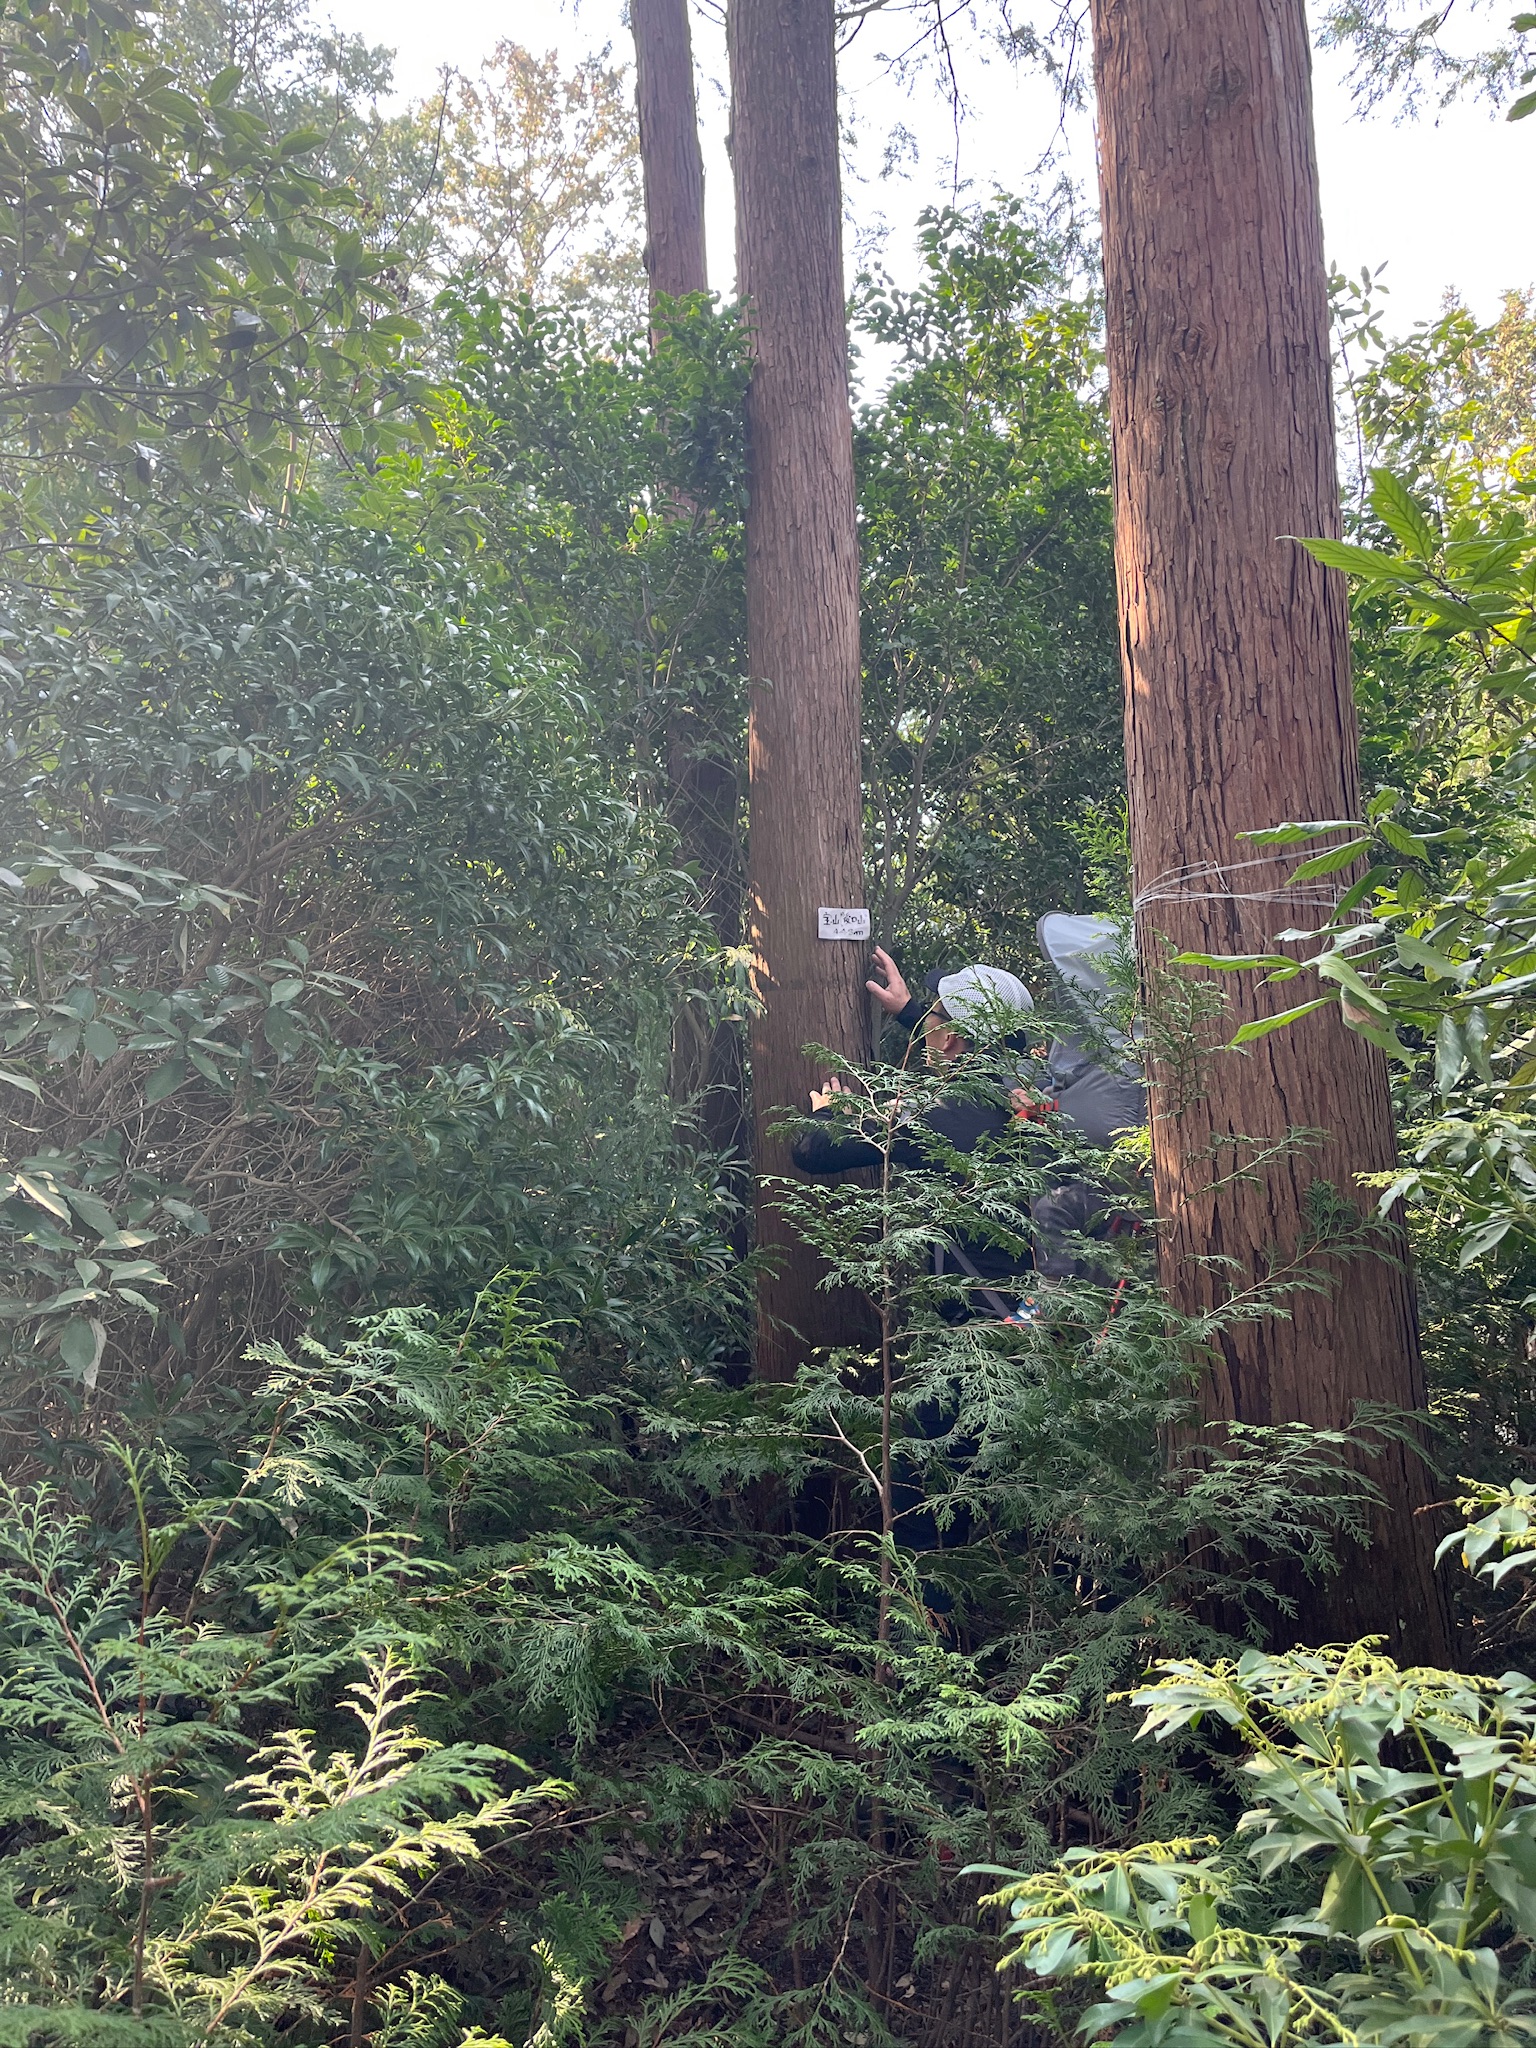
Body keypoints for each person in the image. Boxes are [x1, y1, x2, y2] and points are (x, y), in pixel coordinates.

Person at [790, 949, 1036, 1299]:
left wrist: (828, 1113)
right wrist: (911, 1012)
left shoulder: (930, 1113)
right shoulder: (1035, 1092)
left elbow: (809, 1150)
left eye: (932, 1015)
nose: (925, 1025)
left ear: (950, 1037)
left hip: (980, 1316)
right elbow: (968, 1048)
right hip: (1048, 1302)